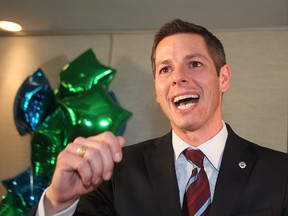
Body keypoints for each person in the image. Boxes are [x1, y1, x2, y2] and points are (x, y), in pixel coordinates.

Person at [32, 19, 288, 216]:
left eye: (195, 64)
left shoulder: (280, 172)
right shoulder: (114, 173)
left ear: (223, 78)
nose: (178, 77)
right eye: (166, 69)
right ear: (157, 91)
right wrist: (58, 202)